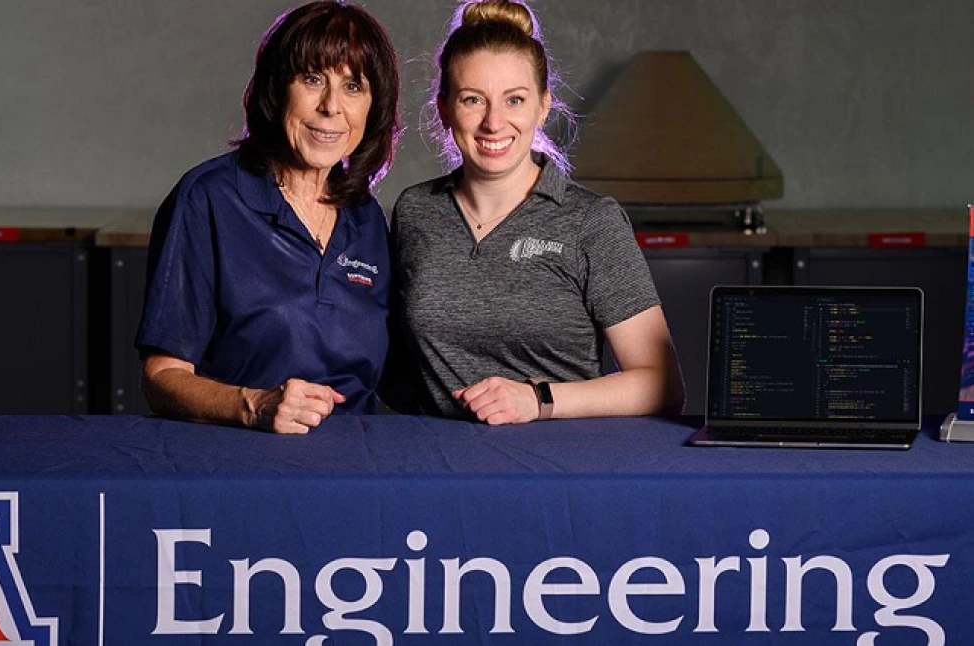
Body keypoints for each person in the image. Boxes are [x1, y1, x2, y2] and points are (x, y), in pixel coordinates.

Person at [387, 0, 684, 424]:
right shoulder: (415, 211)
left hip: (558, 468)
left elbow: (664, 384)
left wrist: (538, 401)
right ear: (445, 109)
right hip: (441, 467)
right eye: (473, 99)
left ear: (543, 106)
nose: (494, 122)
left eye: (514, 99)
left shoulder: (590, 221)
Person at [136, 1, 400, 433]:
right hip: (239, 467)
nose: (331, 106)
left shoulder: (366, 218)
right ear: (278, 88)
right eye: (312, 79)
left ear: (373, 107)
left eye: (354, 86)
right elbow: (161, 377)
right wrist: (254, 405)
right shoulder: (210, 199)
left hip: (356, 469)